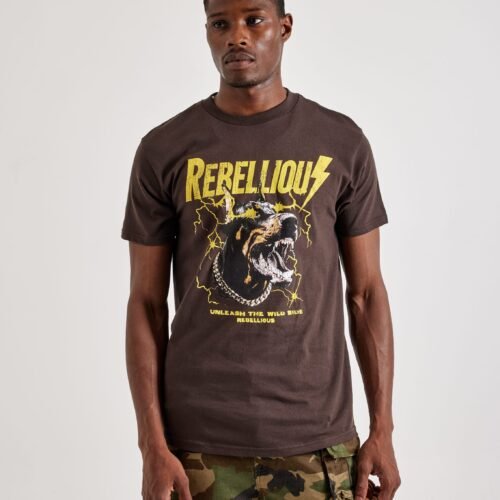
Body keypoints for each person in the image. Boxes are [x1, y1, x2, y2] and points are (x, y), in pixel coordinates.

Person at [120, 0, 401, 498]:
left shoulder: (341, 141)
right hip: (197, 450)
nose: (237, 36)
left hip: (319, 445)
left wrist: (383, 429)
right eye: (220, 24)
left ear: (284, 27)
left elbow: (366, 295)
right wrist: (152, 447)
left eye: (254, 20)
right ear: (207, 31)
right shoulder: (164, 148)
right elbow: (145, 304)